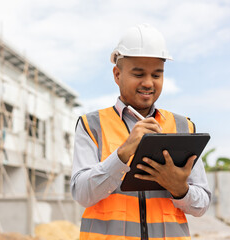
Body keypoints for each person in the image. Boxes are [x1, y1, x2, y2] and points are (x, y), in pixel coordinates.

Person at [70, 24, 211, 240]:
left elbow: (201, 205)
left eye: (156, 74)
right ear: (117, 75)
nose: (148, 83)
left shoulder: (183, 126)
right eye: (138, 74)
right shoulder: (92, 125)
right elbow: (82, 194)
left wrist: (180, 189)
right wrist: (122, 154)